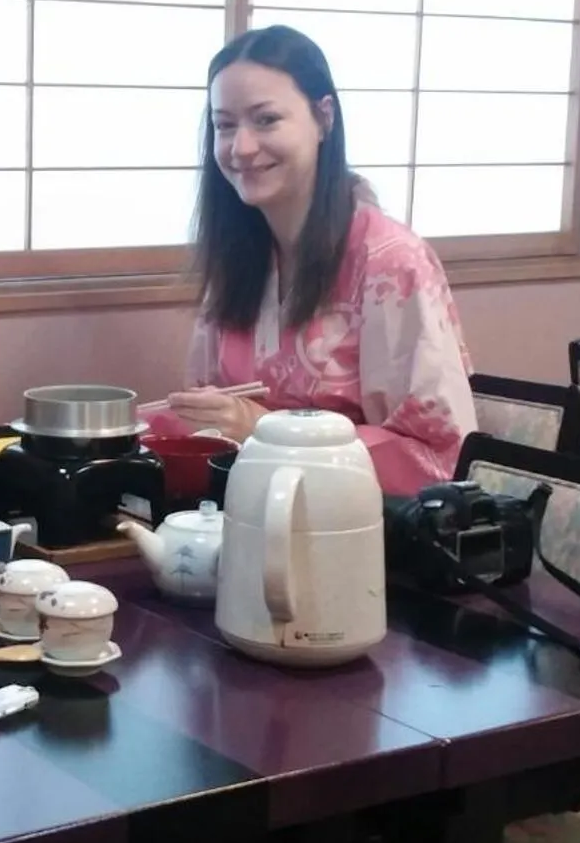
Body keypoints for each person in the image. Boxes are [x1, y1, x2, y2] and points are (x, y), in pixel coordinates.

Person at [148, 25, 478, 495]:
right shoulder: (241, 257)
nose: (241, 147)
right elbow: (210, 421)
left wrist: (268, 432)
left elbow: (441, 460)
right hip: (249, 514)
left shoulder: (392, 264)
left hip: (363, 540)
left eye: (265, 120)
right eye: (224, 125)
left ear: (324, 118)